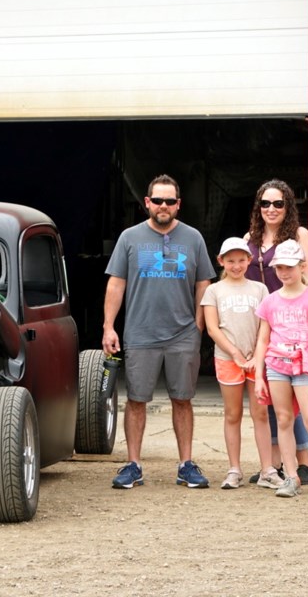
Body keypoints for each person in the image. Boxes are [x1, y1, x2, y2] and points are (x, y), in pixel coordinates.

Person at [103, 174, 217, 489]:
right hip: (140, 333)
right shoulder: (129, 238)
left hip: (183, 335)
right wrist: (108, 326)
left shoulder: (193, 238)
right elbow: (116, 282)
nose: (163, 206)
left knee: (183, 399)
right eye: (158, 200)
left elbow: (203, 282)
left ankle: (185, 465)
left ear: (178, 205)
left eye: (170, 201)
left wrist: (199, 323)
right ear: (147, 203)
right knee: (136, 400)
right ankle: (133, 465)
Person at [243, 179, 308, 486]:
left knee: (293, 395)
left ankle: (303, 462)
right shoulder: (251, 237)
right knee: (271, 395)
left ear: (288, 206)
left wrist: (296, 321)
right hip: (260, 323)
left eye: (278, 204)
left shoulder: (300, 235)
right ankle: (273, 463)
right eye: (265, 203)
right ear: (258, 207)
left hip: (291, 326)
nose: (271, 209)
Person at [253, 240, 308, 499]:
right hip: (277, 367)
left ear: (302, 267)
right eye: (279, 267)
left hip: (305, 368)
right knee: (283, 419)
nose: (284, 272)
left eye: (289, 267)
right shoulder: (270, 302)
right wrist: (259, 376)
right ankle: (291, 476)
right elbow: (262, 340)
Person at [201, 237, 280, 490]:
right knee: (232, 414)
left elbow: (265, 327)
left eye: (241, 260)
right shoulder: (214, 290)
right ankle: (234, 469)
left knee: (260, 414)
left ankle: (267, 468)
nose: (236, 266)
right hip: (227, 358)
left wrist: (257, 356)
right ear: (221, 261)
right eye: (231, 261)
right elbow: (212, 328)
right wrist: (235, 354)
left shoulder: (259, 290)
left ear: (249, 261)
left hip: (257, 359)